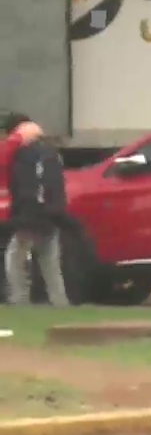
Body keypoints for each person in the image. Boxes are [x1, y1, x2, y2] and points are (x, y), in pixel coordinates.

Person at [4, 115, 68, 308]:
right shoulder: (51, 153)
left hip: (32, 211)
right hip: (53, 210)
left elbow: (23, 185)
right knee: (49, 259)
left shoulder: (24, 155)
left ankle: (19, 298)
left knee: (15, 256)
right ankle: (59, 301)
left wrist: (20, 213)